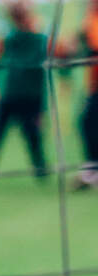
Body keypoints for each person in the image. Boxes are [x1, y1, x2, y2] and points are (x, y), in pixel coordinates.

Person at [0, 0, 51, 188]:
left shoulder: (38, 36)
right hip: (12, 94)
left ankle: (41, 170)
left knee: (32, 136)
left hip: (29, 95)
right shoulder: (7, 35)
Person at [73, 0, 98, 189]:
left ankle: (91, 170)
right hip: (94, 85)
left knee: (88, 122)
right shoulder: (90, 20)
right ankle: (91, 169)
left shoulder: (92, 21)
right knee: (88, 123)